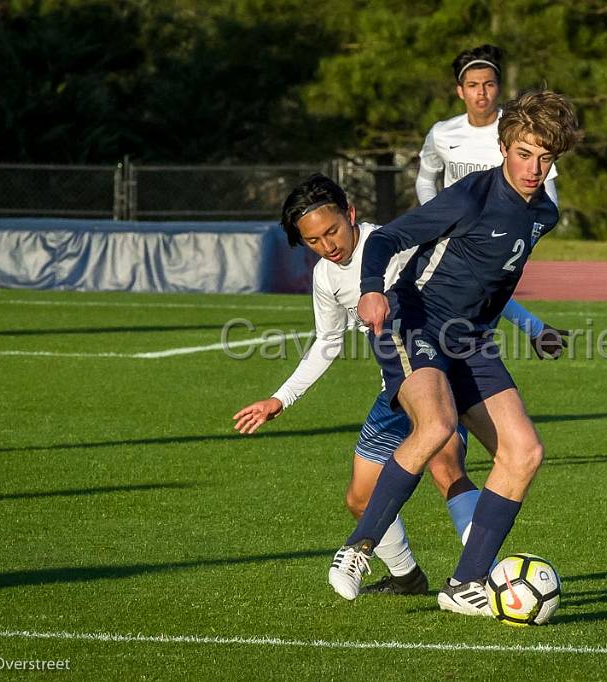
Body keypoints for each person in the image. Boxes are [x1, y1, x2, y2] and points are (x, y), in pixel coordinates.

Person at [232, 175, 565, 595]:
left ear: (350, 214)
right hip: (395, 389)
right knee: (360, 497)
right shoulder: (326, 278)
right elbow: (328, 343)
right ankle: (407, 577)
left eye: (332, 230)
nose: (328, 245)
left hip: (438, 369)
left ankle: (485, 576)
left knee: (447, 465)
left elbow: (485, 286)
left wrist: (533, 328)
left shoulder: (393, 245)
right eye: (313, 240)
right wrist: (280, 399)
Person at [327, 90, 581, 617]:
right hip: (414, 320)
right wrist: (372, 288)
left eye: (546, 157)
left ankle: (463, 584)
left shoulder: (544, 214)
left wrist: (531, 329)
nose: (534, 167)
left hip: (471, 340)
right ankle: (358, 548)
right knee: (438, 425)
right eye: (525, 153)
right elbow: (386, 239)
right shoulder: (470, 197)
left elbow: (500, 280)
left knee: (524, 452)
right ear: (505, 145)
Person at [415, 44, 558, 207]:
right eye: (473, 85)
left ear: (499, 88)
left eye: (489, 84)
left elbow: (548, 189)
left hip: (508, 230)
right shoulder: (441, 133)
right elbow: (425, 181)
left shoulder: (522, 129)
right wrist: (435, 217)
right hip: (455, 232)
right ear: (460, 91)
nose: (481, 92)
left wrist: (532, 228)